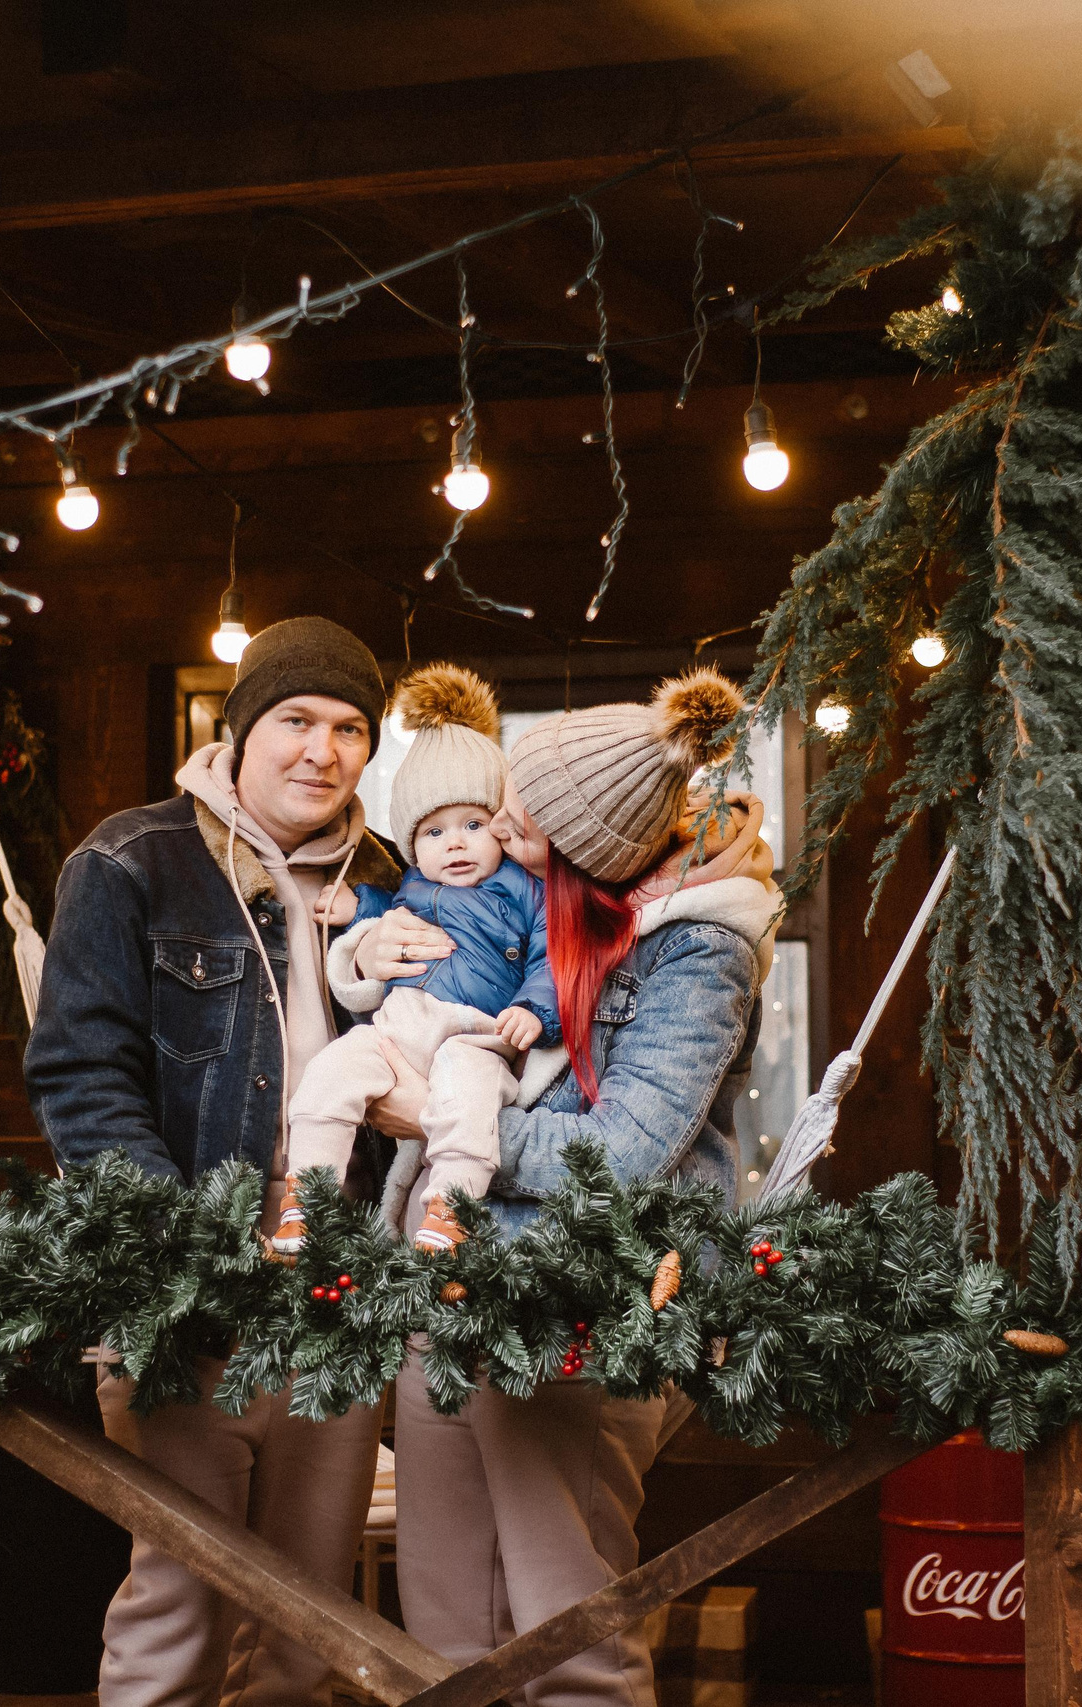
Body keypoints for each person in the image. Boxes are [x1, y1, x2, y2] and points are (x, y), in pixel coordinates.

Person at [336, 668, 784, 1707]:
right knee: (444, 1631)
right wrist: (364, 949)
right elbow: (417, 970)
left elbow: (624, 1152)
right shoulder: (546, 911)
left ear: (587, 848)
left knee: (567, 1632)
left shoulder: (696, 949)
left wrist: (449, 1124)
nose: (495, 825)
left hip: (581, 1305)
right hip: (449, 1291)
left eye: (522, 817)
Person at [23, 615, 407, 1707]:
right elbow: (80, 1075)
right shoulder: (131, 861)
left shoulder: (388, 883)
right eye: (294, 720)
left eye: (347, 728)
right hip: (186, 1297)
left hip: (335, 1298)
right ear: (236, 729)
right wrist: (183, 1253)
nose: (320, 752)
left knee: (304, 1622)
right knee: (179, 1603)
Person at [281, 663, 558, 1254]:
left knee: (467, 1105)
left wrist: (537, 1008)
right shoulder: (409, 886)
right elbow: (386, 912)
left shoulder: (525, 887)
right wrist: (358, 911)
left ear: (502, 826)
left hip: (478, 1035)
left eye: (473, 823)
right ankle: (307, 1196)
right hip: (402, 1028)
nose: (454, 842)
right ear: (411, 845)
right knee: (331, 1073)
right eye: (433, 833)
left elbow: (551, 955)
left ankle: (450, 1208)